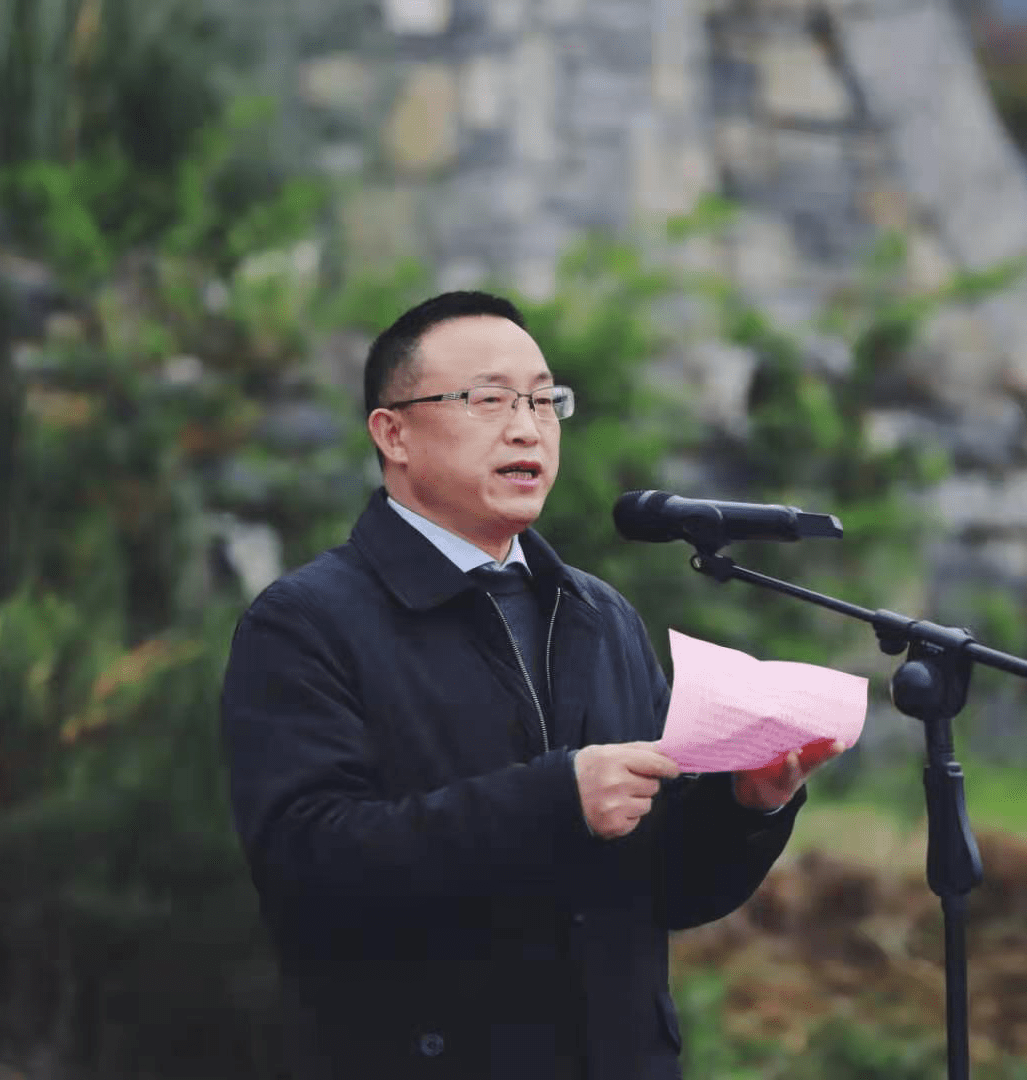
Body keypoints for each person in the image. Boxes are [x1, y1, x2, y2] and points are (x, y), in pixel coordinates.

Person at [219, 290, 845, 1080]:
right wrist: (557, 802)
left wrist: (747, 807)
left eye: (545, 401)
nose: (527, 426)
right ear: (394, 433)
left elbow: (670, 890)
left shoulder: (600, 614)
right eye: (487, 399)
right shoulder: (306, 623)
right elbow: (309, 868)